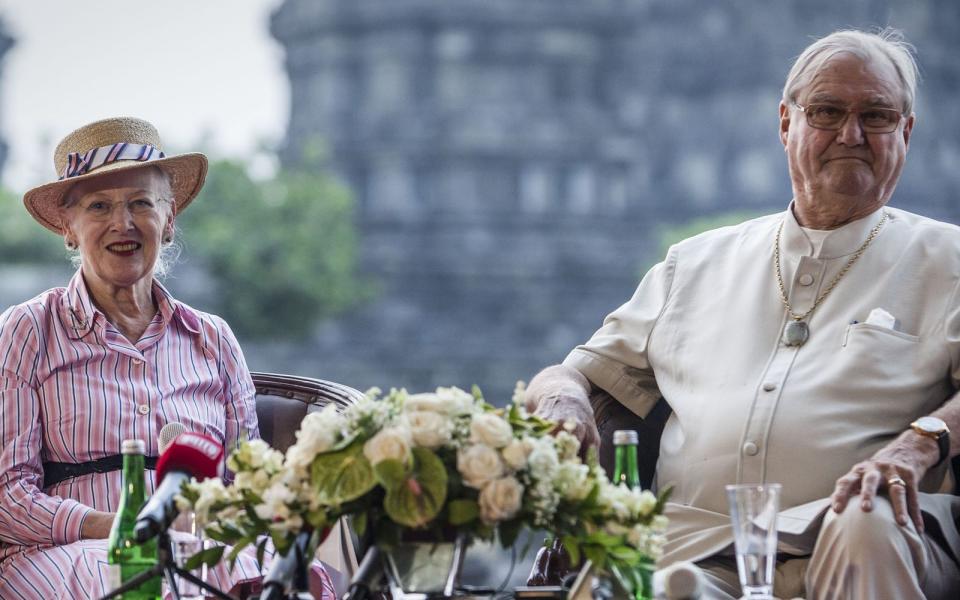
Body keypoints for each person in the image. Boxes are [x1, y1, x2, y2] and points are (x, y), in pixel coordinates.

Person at [525, 29, 960, 599]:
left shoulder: (949, 259)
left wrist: (921, 440)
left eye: (875, 116)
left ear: (905, 131)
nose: (851, 134)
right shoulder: (696, 263)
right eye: (827, 111)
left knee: (865, 522)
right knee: (663, 584)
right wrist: (563, 397)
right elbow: (574, 371)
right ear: (786, 123)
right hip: (696, 547)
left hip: (860, 537)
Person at [0, 117, 334, 599]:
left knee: (283, 575)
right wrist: (118, 526)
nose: (124, 223)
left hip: (199, 547)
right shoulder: (28, 330)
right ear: (68, 229)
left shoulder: (213, 339)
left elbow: (250, 484)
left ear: (169, 219)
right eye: (99, 206)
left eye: (141, 202)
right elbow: (7, 496)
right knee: (144, 570)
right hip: (63, 553)